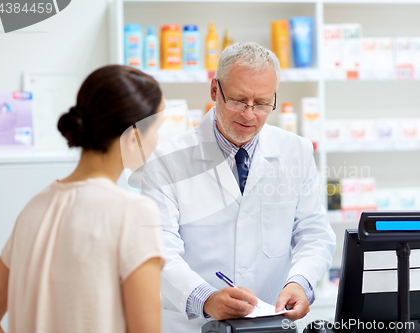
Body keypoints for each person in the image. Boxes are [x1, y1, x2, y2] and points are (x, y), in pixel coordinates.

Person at [141, 42, 336, 333]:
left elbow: (314, 232)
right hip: (192, 326)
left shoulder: (295, 150)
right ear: (214, 91)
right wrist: (205, 298)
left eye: (261, 103)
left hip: (270, 323)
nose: (249, 114)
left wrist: (301, 282)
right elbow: (158, 247)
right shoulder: (167, 160)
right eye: (237, 100)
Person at [0, 65, 166, 333]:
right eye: (156, 128)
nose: (158, 140)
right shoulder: (134, 213)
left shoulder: (35, 207)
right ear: (133, 138)